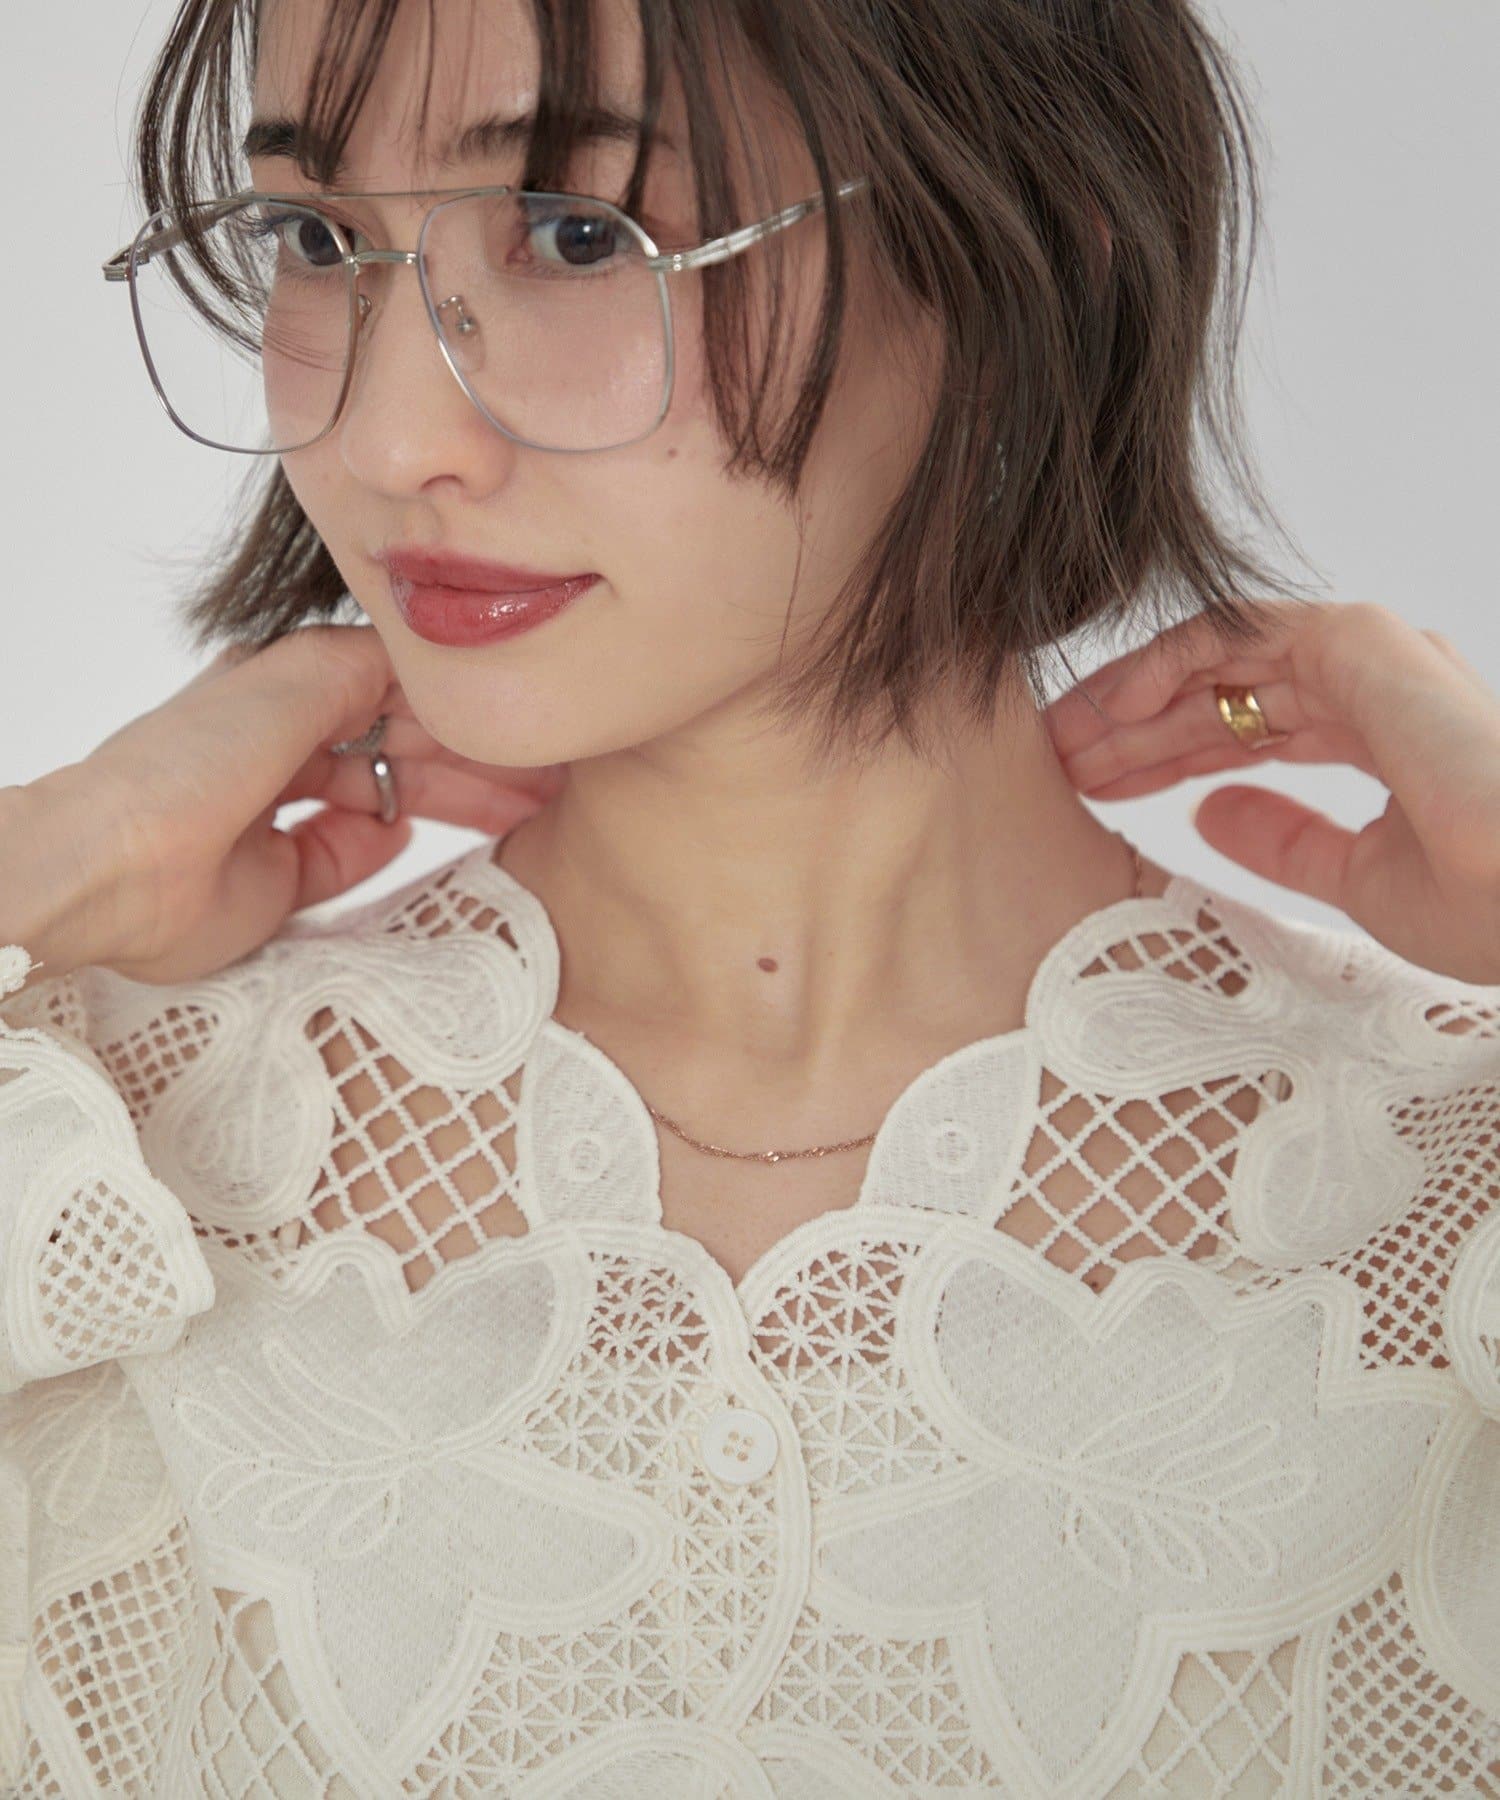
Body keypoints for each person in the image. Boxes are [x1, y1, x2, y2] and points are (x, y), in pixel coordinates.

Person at [2, 0, 1497, 1791]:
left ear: (1029, 254)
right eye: (318, 240)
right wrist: (47, 856)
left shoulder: (1450, 1224)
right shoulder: (85, 1179)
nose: (394, 439)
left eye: (575, 233)